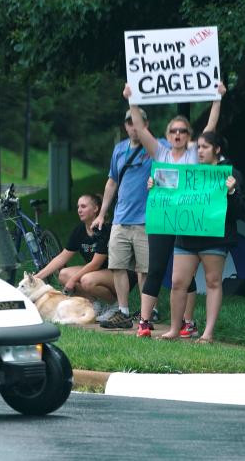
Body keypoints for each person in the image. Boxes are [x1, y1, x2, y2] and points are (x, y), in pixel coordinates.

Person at [124, 82, 227, 338]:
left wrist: (217, 99)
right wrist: (132, 101)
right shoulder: (159, 152)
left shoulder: (195, 153)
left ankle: (187, 322)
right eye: (173, 131)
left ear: (189, 135)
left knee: (185, 274)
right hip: (163, 218)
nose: (178, 134)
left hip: (188, 222)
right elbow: (139, 128)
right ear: (167, 135)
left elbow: (210, 129)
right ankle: (145, 321)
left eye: (182, 131)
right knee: (155, 267)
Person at [160, 131, 245, 342]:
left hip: (215, 238)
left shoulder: (231, 174)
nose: (199, 151)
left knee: (213, 281)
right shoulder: (188, 171)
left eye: (205, 147)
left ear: (217, 149)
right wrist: (156, 187)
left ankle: (208, 333)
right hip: (187, 236)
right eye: (197, 147)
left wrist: (233, 192)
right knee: (178, 281)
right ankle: (174, 329)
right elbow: (169, 196)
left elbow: (241, 212)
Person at [91, 104, 154, 329]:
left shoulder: (156, 148)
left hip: (146, 220)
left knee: (144, 269)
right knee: (117, 265)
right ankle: (124, 310)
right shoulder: (119, 150)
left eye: (137, 122)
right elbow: (112, 181)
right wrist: (101, 213)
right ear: (126, 126)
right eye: (129, 122)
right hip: (120, 219)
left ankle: (149, 311)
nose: (133, 126)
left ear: (145, 125)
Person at [34, 194, 136, 320]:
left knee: (86, 280)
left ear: (96, 209)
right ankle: (94, 305)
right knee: (64, 274)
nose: (79, 210)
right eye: (78, 207)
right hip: (98, 273)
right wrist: (37, 277)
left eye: (83, 206)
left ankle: (116, 307)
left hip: (120, 275)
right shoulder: (79, 230)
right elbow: (62, 258)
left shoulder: (104, 229)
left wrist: (73, 280)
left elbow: (96, 263)